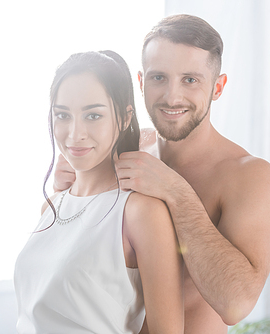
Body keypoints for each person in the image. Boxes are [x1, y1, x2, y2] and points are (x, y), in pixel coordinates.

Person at [53, 15, 270, 333]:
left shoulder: (248, 177)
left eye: (190, 80)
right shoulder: (124, 147)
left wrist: (176, 193)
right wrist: (68, 184)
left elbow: (235, 304)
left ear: (218, 87)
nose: (172, 97)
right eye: (159, 77)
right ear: (141, 81)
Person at [14, 50, 184, 334]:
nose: (74, 133)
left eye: (93, 115)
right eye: (63, 115)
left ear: (124, 117)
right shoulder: (52, 206)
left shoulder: (140, 212)